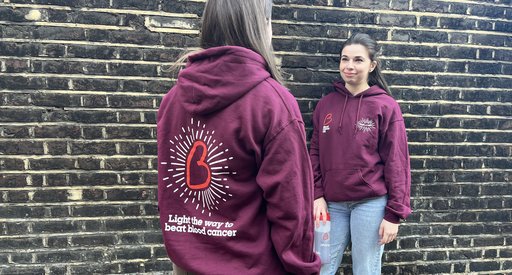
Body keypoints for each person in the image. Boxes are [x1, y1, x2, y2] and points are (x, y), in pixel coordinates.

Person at [156, 0, 321, 274]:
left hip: (186, 265)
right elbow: (292, 209)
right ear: (262, 27)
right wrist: (303, 269)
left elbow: (169, 192)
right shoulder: (273, 104)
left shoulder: (173, 99)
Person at [310, 33, 412, 275]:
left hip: (370, 203)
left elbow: (397, 161)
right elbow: (314, 151)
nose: (349, 66)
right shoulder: (325, 105)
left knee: (365, 270)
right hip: (331, 204)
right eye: (345, 59)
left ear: (372, 65)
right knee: (320, 267)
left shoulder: (385, 106)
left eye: (358, 60)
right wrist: (316, 195)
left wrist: (394, 214)